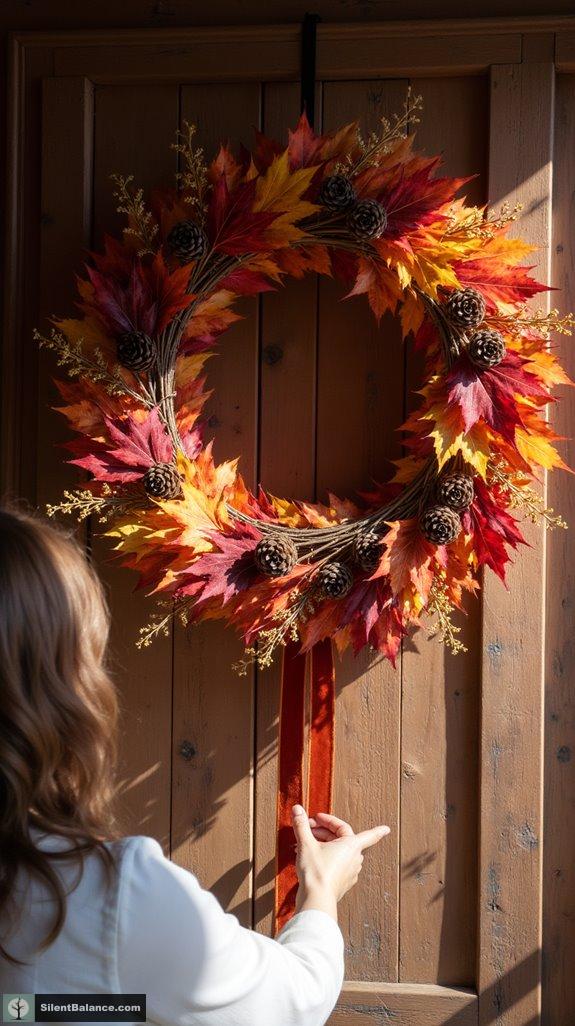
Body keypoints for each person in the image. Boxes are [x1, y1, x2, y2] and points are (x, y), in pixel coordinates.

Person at [0, 507, 389, 1026]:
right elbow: (289, 1005)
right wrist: (321, 891)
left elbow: (28, 1010)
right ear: (65, 687)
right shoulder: (107, 895)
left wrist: (106, 1004)